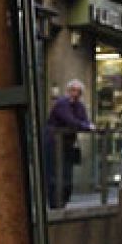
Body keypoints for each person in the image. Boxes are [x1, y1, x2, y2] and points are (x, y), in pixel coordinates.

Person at [43, 79, 93, 209]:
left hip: (67, 144)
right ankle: (54, 203)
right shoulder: (62, 103)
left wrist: (85, 125)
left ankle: (63, 201)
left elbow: (85, 121)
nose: (75, 94)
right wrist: (85, 126)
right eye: (72, 90)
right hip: (53, 143)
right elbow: (71, 121)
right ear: (68, 91)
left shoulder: (79, 106)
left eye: (78, 91)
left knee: (67, 174)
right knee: (54, 173)